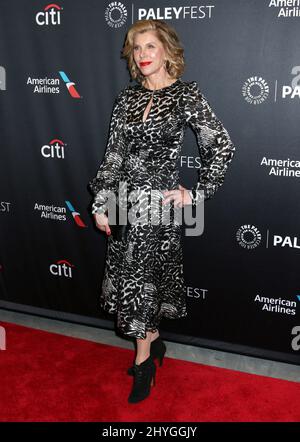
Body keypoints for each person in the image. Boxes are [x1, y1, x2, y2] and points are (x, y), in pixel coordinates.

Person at [88, 19, 236, 403]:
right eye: (137, 49)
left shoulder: (186, 95)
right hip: (124, 201)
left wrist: (198, 193)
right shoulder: (127, 99)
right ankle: (153, 346)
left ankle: (143, 364)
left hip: (157, 207)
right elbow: (114, 155)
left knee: (139, 283)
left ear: (168, 51)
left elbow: (220, 146)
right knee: (134, 280)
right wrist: (103, 202)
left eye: (150, 47)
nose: (142, 56)